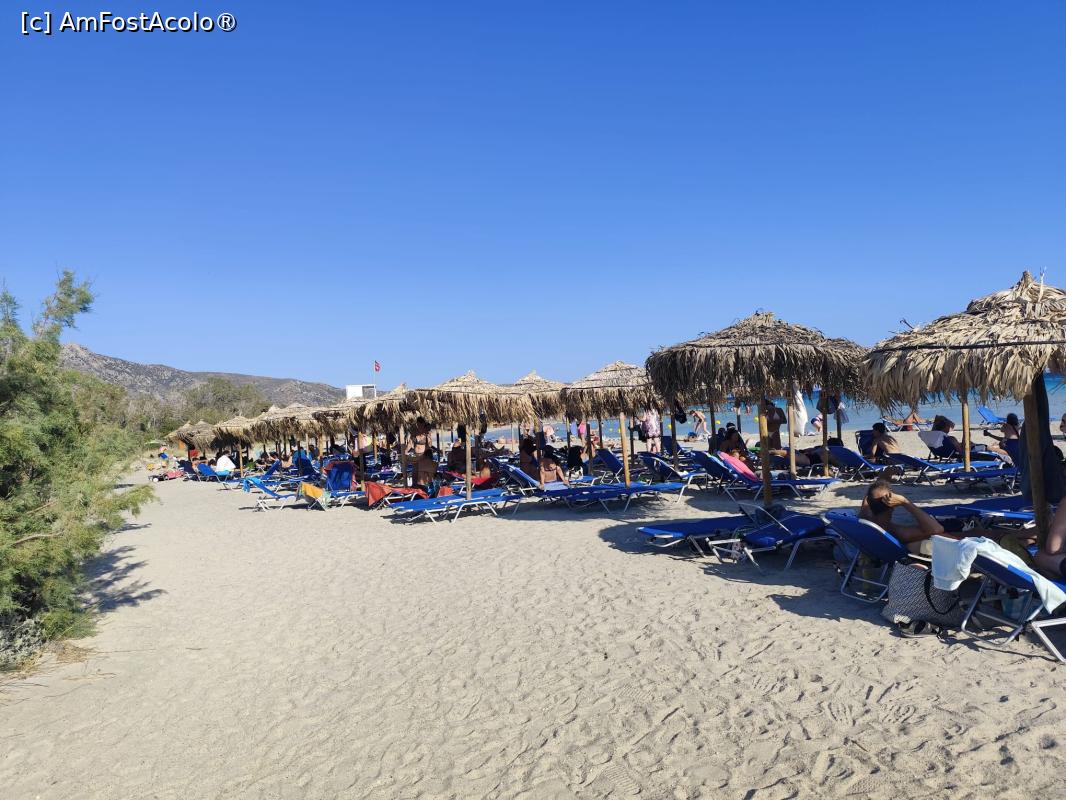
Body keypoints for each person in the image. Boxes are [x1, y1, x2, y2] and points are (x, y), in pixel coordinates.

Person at [859, 479, 946, 551]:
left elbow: (868, 498)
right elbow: (937, 529)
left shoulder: (863, 518)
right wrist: (904, 501)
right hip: (898, 552)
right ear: (892, 506)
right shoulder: (895, 532)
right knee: (943, 537)